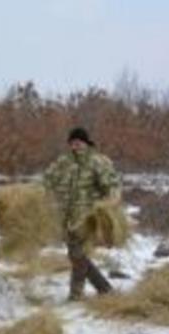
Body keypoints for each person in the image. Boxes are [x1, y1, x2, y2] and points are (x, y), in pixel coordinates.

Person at [43, 127, 119, 301]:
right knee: (77, 255)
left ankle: (76, 294)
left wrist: (108, 206)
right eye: (72, 142)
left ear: (86, 142)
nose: (75, 145)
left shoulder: (96, 162)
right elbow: (48, 178)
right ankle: (104, 288)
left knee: (77, 255)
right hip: (66, 217)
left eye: (79, 142)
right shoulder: (63, 162)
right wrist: (36, 192)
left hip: (86, 217)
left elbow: (111, 185)